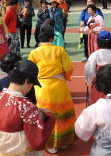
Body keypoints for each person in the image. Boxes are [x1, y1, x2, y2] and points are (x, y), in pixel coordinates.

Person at [0, 59, 55, 156]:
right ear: (26, 81)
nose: (31, 87)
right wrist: (48, 116)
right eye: (32, 84)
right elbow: (38, 141)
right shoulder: (27, 106)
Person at [28, 25, 77, 153]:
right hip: (59, 87)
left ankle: (48, 143)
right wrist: (65, 77)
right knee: (62, 114)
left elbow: (30, 71)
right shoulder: (59, 50)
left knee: (44, 116)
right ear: (52, 38)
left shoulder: (34, 53)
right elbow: (68, 68)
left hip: (41, 88)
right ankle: (63, 140)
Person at [85, 31, 111, 105]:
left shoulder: (95, 55)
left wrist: (88, 80)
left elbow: (89, 70)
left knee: (97, 106)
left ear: (98, 42)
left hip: (99, 85)